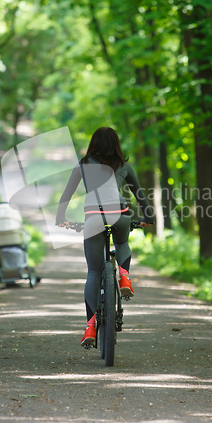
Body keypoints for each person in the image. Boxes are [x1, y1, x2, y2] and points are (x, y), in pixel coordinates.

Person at [56, 127, 154, 347]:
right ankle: (124, 276)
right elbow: (139, 194)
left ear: (93, 144)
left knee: (93, 271)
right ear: (116, 144)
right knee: (122, 241)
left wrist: (60, 218)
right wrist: (149, 217)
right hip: (119, 214)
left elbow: (67, 194)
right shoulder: (123, 166)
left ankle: (90, 327)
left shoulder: (83, 164)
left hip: (93, 218)